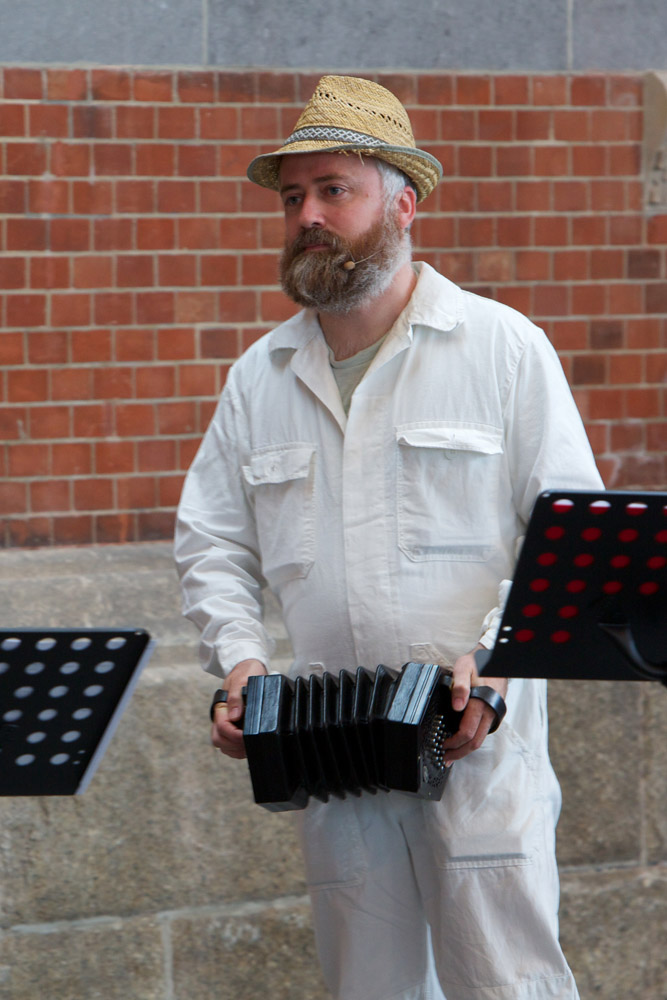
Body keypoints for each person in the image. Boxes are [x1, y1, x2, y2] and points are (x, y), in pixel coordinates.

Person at [175, 75, 603, 1000]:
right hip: (337, 770)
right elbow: (211, 543)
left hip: (476, 751)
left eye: (335, 189)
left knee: (508, 989)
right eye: (294, 197)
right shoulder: (260, 379)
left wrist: (493, 665)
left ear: (401, 204)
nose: (309, 215)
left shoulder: (501, 350)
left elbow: (565, 541)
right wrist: (241, 665)